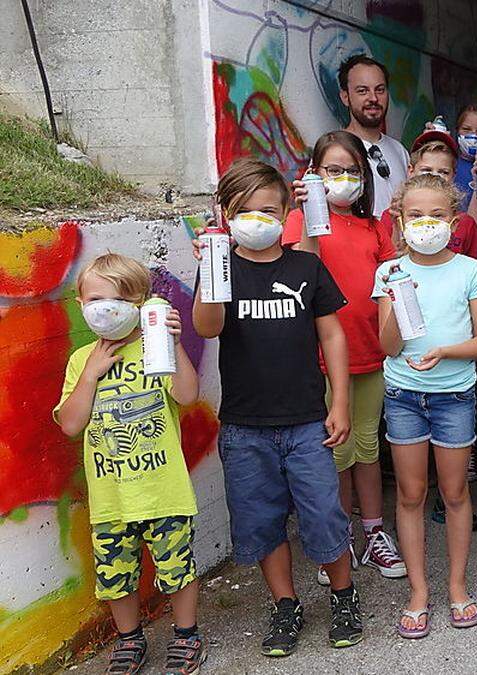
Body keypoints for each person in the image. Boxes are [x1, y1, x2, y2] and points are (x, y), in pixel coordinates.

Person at [192, 158, 361, 657]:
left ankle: (343, 595)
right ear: (225, 213)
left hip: (308, 420)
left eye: (269, 209)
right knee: (262, 521)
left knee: (324, 515)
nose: (257, 218)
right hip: (245, 427)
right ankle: (285, 605)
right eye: (245, 210)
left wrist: (342, 400)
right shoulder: (222, 268)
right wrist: (209, 267)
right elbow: (206, 327)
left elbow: (332, 333)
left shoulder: (305, 266)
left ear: (288, 211)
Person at [56, 254, 205, 674]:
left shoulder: (154, 345)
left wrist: (173, 342)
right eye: (94, 298)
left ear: (140, 301)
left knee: (177, 569)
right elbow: (70, 424)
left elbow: (188, 394)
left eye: (117, 298)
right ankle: (129, 641)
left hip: (164, 490)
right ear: (81, 302)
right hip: (111, 497)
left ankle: (186, 635)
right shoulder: (81, 359)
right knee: (115, 576)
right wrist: (91, 374)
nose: (104, 307)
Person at [372, 174, 477, 638]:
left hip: (455, 396)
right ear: (400, 222)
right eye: (416, 215)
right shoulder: (389, 272)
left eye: (437, 215)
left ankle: (458, 586)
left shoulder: (470, 270)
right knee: (409, 494)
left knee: (456, 493)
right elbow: (387, 347)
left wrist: (445, 352)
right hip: (404, 395)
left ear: (455, 220)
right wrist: (397, 302)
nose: (427, 223)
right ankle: (419, 592)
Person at [285, 131, 406, 585]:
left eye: (352, 171)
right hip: (321, 359)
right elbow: (303, 270)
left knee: (369, 446)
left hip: (371, 353)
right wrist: (308, 211)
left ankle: (374, 532)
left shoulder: (374, 227)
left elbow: (394, 278)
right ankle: (338, 539)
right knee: (335, 452)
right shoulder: (299, 223)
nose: (344, 179)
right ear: (313, 174)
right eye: (333, 170)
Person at [338, 54, 410, 217]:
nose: (373, 98)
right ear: (345, 97)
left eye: (380, 90)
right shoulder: (333, 150)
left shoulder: (399, 151)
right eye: (362, 91)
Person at [398, 129, 477, 259]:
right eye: (426, 170)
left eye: (443, 172)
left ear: (453, 175)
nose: (435, 176)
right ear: (411, 171)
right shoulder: (393, 214)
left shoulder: (466, 222)